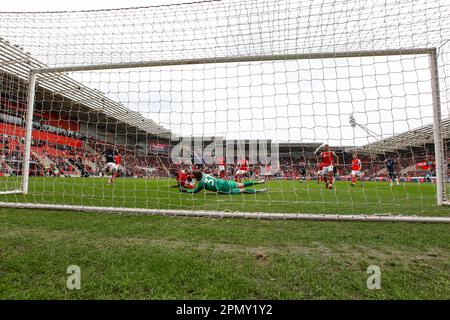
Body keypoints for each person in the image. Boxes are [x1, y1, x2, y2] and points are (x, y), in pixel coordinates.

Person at [181, 171, 267, 194]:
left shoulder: (201, 184)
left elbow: (195, 191)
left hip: (223, 189)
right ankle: (260, 182)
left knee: (242, 190)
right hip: (225, 182)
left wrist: (185, 191)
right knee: (242, 184)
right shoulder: (205, 174)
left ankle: (261, 190)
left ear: (196, 177)